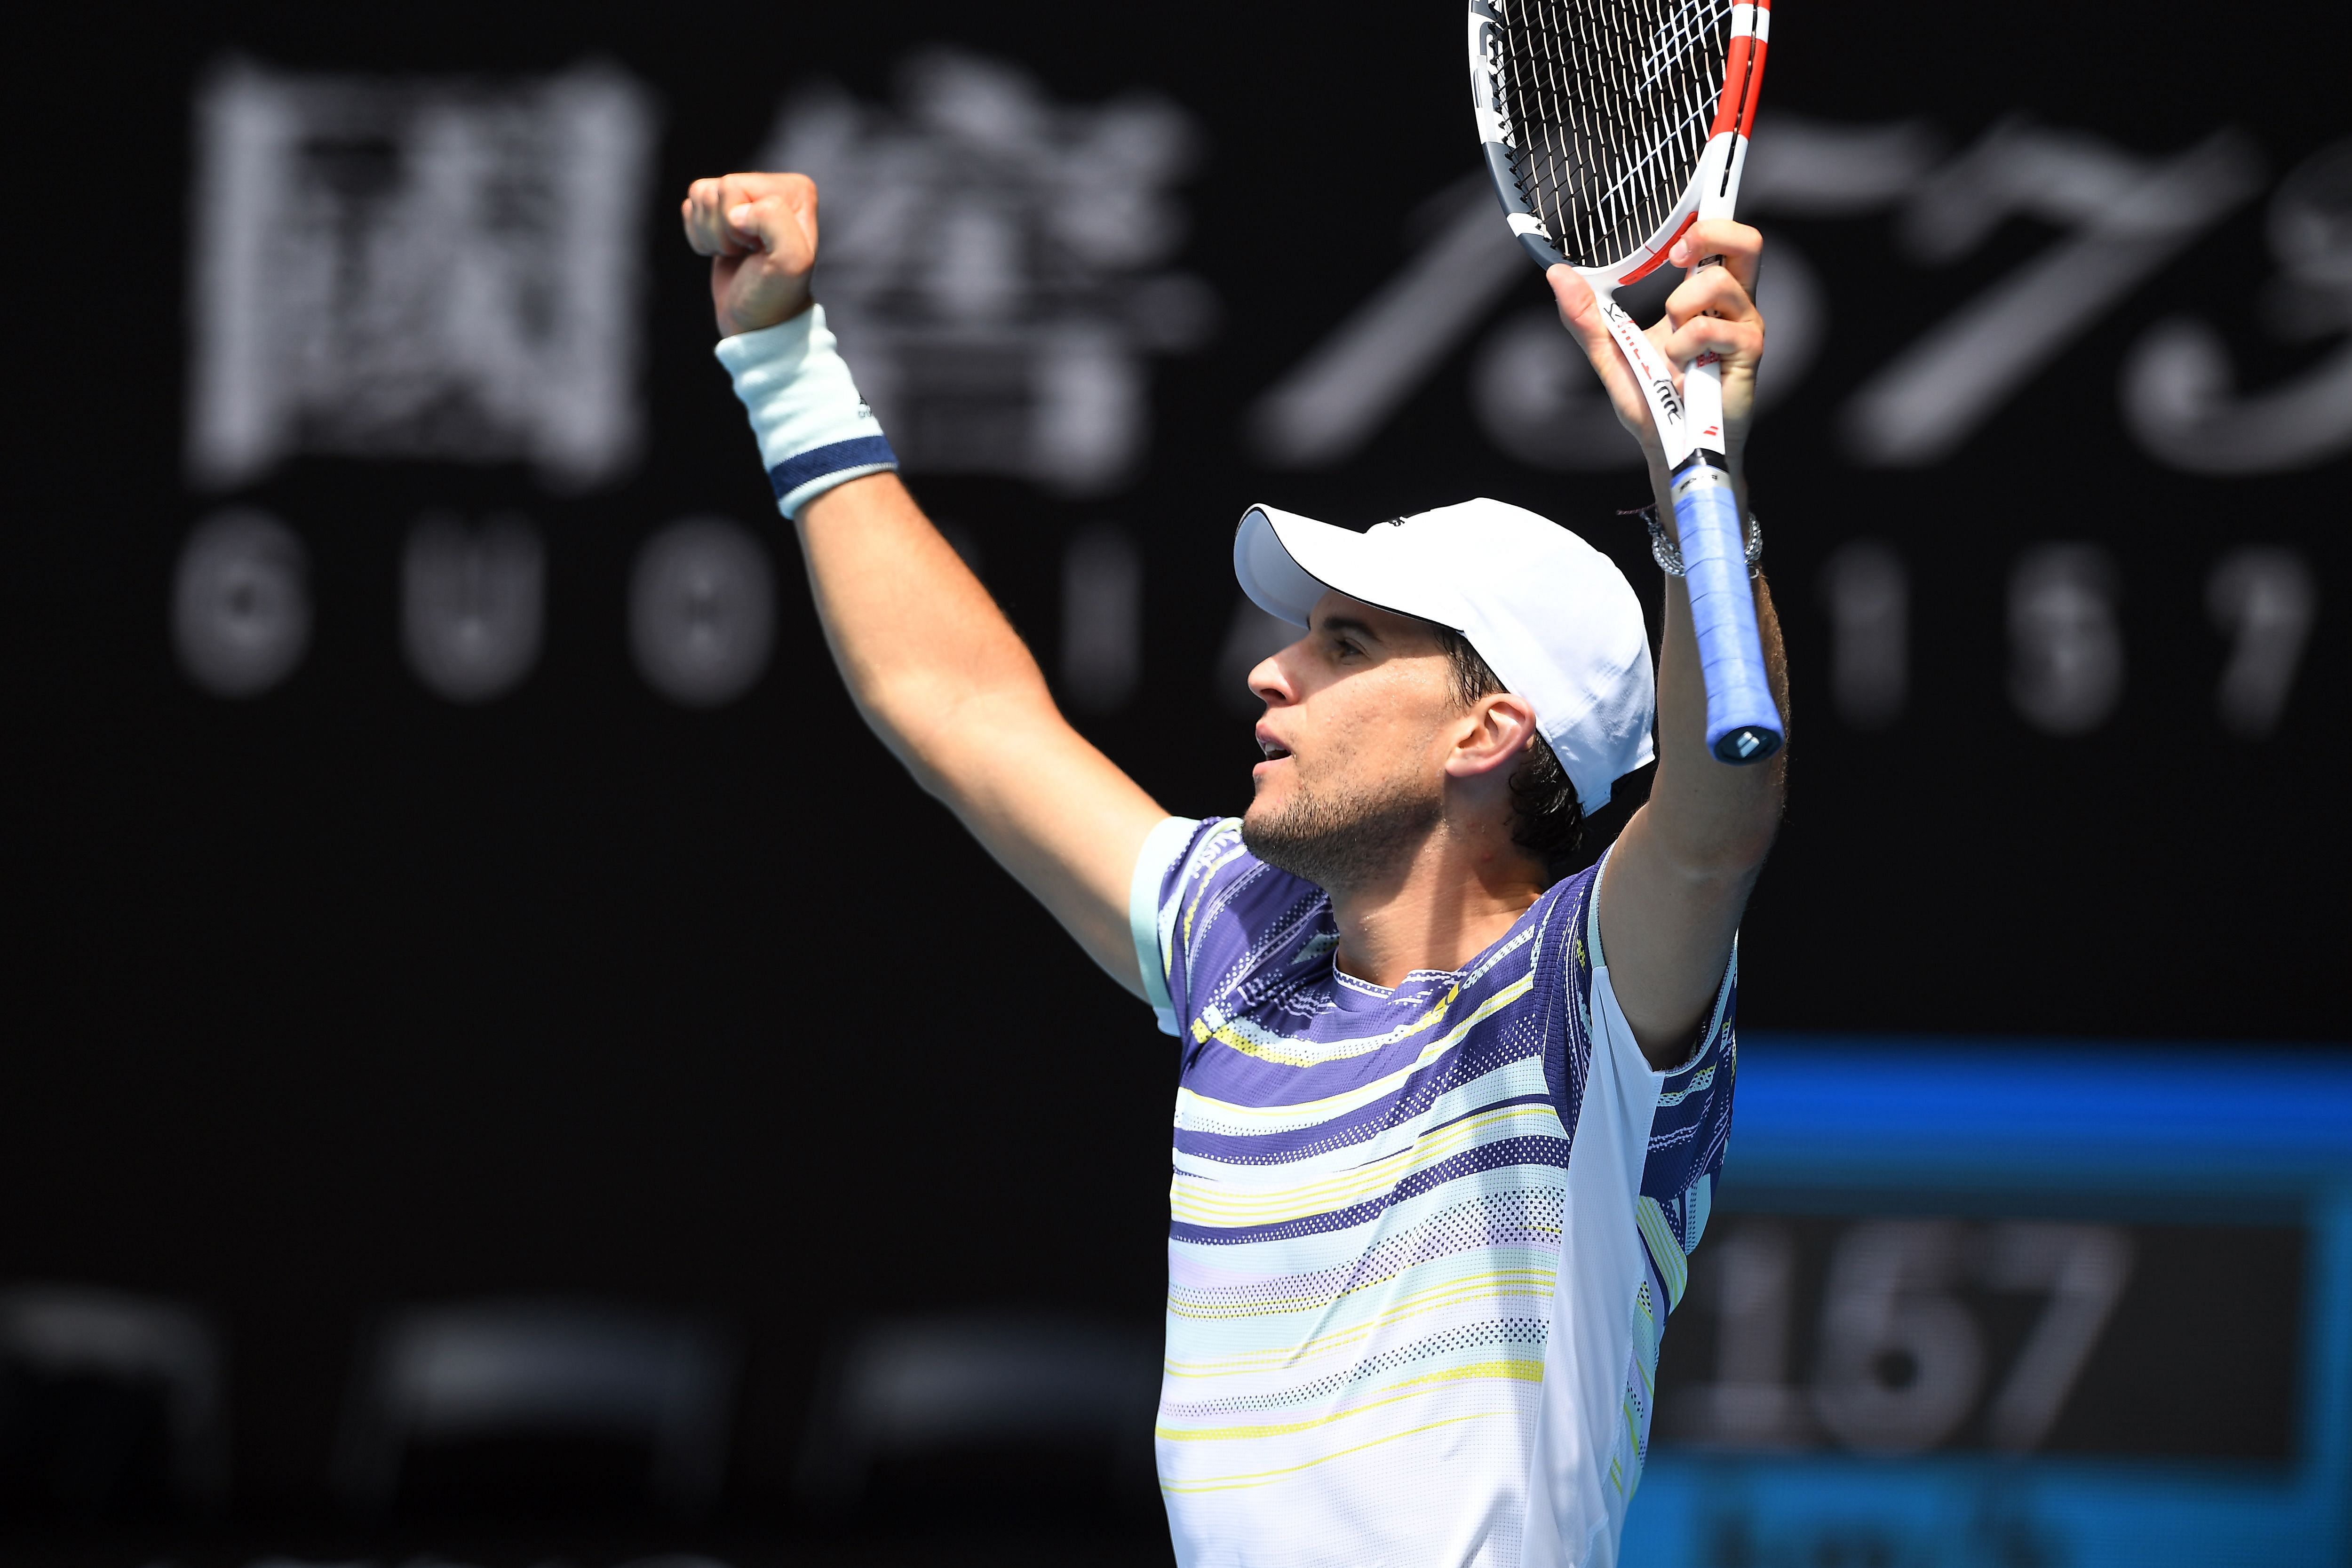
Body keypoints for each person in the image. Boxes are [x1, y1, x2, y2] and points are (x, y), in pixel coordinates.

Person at [682, 169, 1787, 1568]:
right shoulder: (1241, 939)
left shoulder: (1585, 1004)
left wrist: (1698, 477)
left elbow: (1718, 807)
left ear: (1487, 727)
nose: (1271, 672)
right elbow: (959, 708)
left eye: (1345, 645)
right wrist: (782, 357)